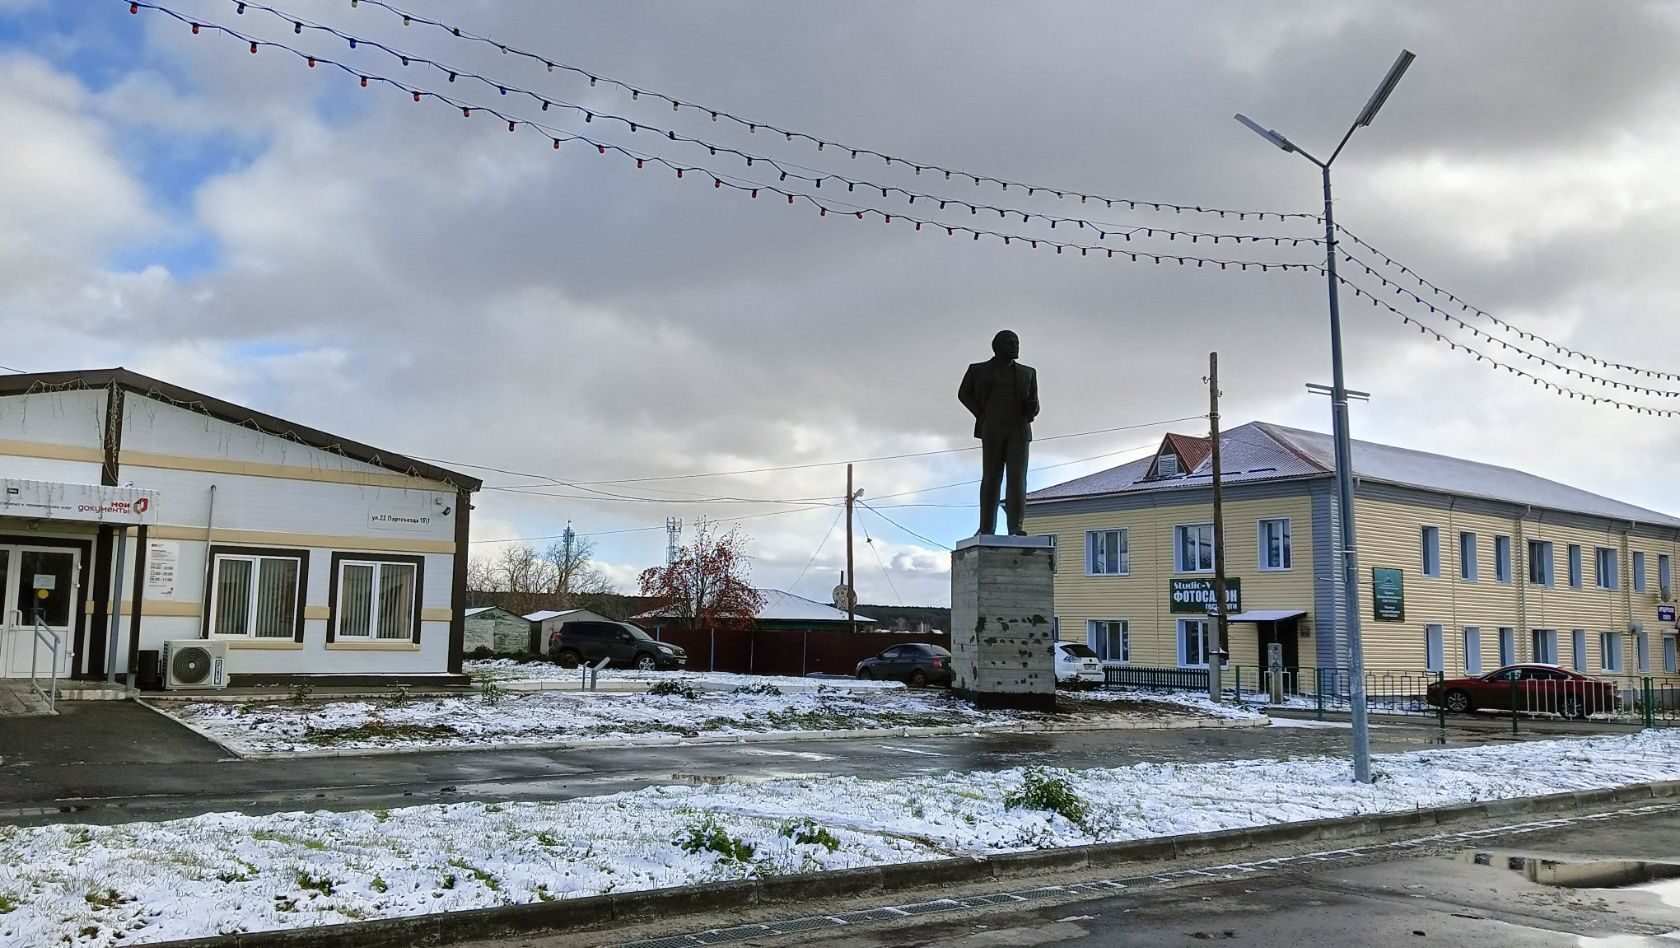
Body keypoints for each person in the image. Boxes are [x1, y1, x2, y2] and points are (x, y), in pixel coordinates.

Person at [957, 330, 1039, 536]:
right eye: (1010, 343)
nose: (1015, 346)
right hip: (992, 429)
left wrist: (1032, 408)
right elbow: (963, 394)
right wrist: (982, 415)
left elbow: (1035, 406)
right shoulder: (978, 370)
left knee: (1018, 478)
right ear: (997, 347)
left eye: (1017, 342)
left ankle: (1015, 527)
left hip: (1019, 430)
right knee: (991, 478)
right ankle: (986, 528)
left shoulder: (1028, 373)